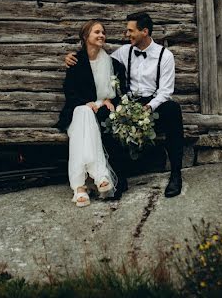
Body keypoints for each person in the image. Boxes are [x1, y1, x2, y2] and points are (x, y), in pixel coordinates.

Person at [65, 12, 184, 198]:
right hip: (128, 104)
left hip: (153, 104)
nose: (126, 34)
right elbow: (97, 59)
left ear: (144, 31)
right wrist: (71, 57)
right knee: (106, 116)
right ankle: (120, 178)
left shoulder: (165, 56)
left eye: (130, 31)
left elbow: (166, 92)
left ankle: (176, 174)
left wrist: (149, 107)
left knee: (173, 109)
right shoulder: (124, 52)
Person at [56, 20, 128, 207]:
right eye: (96, 32)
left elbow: (123, 93)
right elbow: (70, 92)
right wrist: (85, 103)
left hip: (100, 111)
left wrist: (109, 101)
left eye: (103, 32)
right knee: (84, 112)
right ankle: (100, 175)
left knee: (87, 114)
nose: (101, 35)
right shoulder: (76, 61)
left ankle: (79, 187)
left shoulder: (114, 65)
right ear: (85, 37)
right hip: (77, 111)